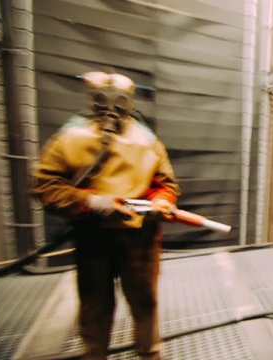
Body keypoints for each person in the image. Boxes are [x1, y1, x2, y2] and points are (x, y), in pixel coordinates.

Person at [32, 72, 180, 359]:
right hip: (93, 235)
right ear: (93, 100)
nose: (111, 107)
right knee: (94, 305)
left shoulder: (146, 141)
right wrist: (93, 202)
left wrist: (161, 201)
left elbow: (166, 184)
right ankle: (95, 353)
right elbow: (46, 186)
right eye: (103, 98)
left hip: (139, 239)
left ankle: (149, 353)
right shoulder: (71, 138)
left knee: (145, 302)